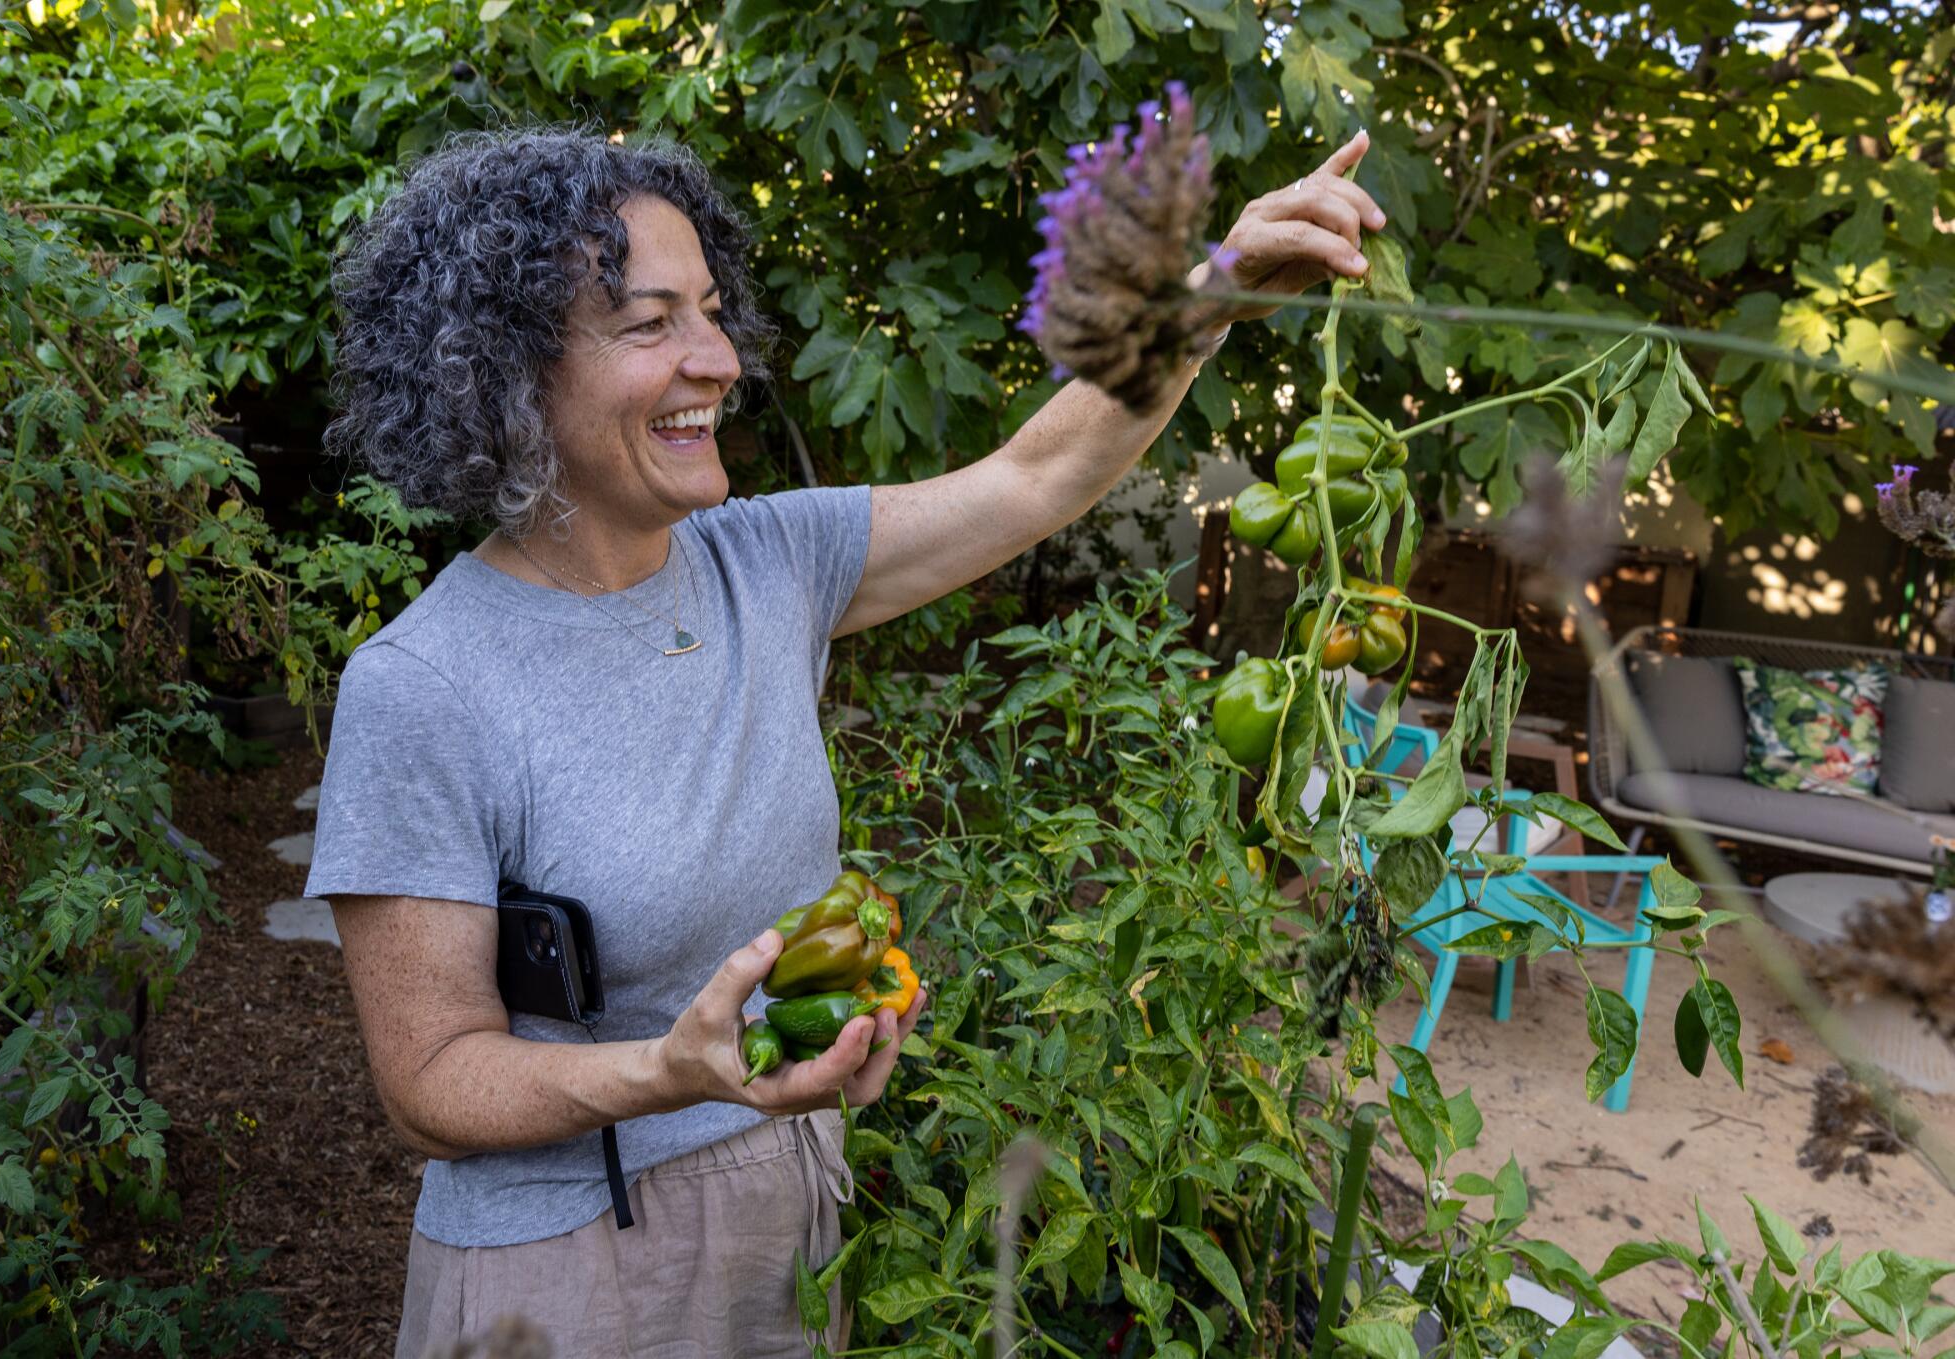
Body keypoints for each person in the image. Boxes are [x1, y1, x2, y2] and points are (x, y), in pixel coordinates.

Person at [306, 124, 1384, 1357]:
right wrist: (668, 1072)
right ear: (504, 375)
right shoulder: (425, 686)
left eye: (710, 311)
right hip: (561, 1275)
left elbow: (1039, 474)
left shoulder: (766, 562)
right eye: (650, 324)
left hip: (790, 1205)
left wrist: (1215, 297)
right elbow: (430, 1084)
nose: (716, 360)